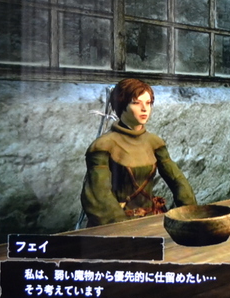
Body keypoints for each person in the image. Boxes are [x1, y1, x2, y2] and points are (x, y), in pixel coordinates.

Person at [80, 78, 197, 226]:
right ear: (121, 104)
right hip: (117, 223)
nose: (144, 109)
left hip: (151, 218)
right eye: (136, 103)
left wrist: (190, 213)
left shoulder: (154, 142)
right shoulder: (103, 145)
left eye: (148, 103)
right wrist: (121, 227)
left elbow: (177, 179)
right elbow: (98, 194)